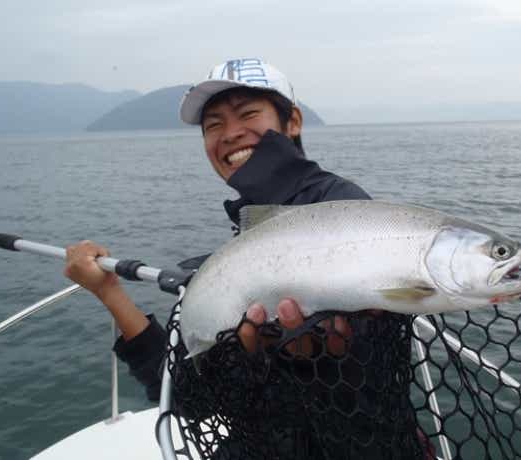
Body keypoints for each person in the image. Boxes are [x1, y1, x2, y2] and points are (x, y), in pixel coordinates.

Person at [64, 58, 435, 459]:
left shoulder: (339, 208)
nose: (230, 133)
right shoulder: (251, 227)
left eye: (247, 113)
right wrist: (109, 293)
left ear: (292, 121)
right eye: (213, 125)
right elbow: (191, 396)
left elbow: (367, 341)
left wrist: (320, 351)